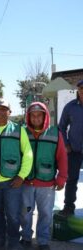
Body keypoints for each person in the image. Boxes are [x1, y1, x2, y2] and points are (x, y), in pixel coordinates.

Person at [0, 99, 33, 250]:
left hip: (12, 182)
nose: (0, 112)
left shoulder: (19, 130)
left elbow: (28, 154)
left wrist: (21, 175)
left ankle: (13, 242)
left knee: (13, 215)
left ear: (9, 112)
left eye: (4, 109)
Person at [20, 102, 68, 250]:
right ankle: (26, 237)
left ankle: (43, 240)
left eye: (39, 115)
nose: (36, 118)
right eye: (32, 116)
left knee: (46, 213)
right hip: (26, 183)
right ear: (28, 117)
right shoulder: (22, 132)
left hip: (47, 184)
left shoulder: (55, 133)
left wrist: (62, 178)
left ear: (45, 116)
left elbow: (62, 157)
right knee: (25, 212)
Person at [58, 79, 83, 216]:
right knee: (71, 180)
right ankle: (69, 207)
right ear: (78, 90)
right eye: (81, 89)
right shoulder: (70, 107)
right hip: (73, 150)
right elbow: (61, 127)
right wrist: (66, 144)